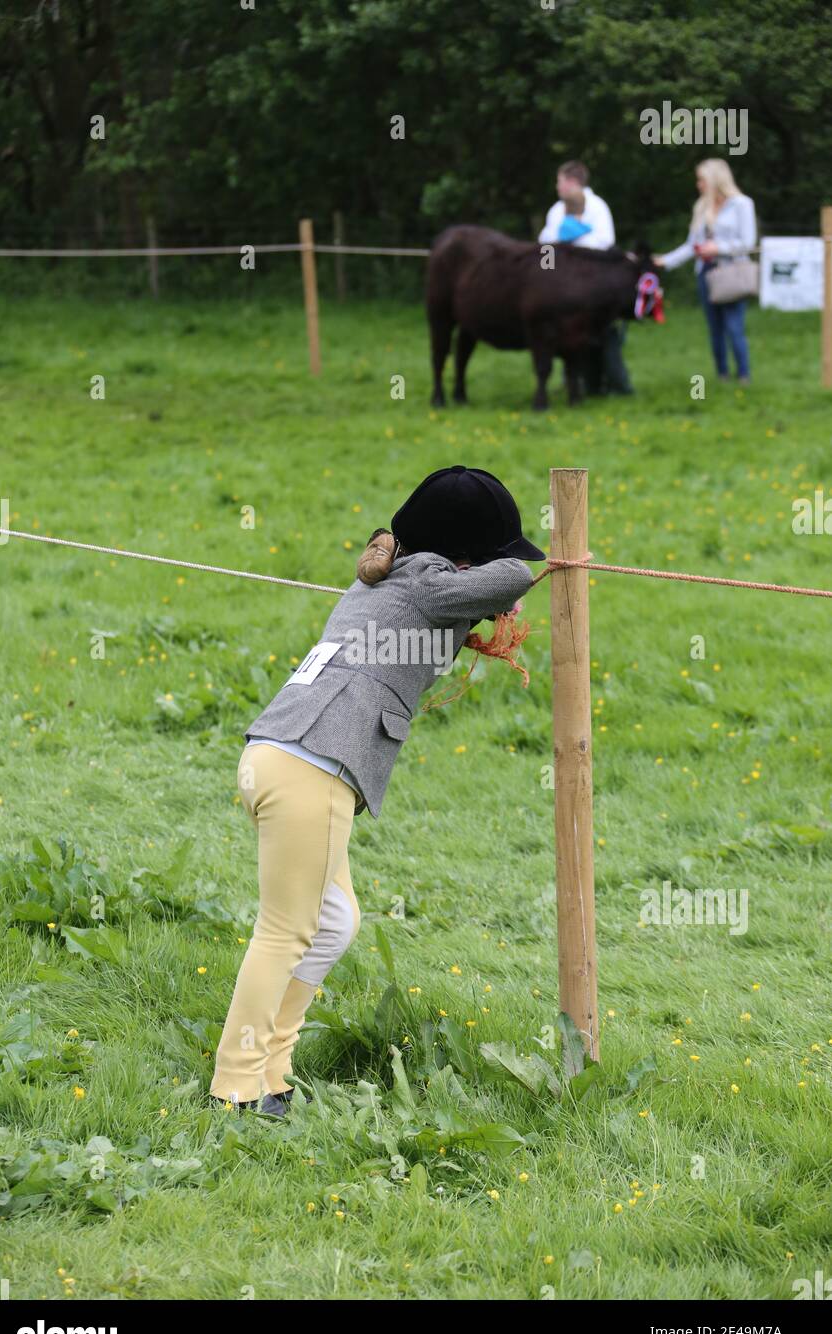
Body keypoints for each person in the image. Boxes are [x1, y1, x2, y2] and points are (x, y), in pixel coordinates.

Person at [209, 466, 546, 1116]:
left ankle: (270, 1074)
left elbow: (494, 580)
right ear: (465, 556)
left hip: (280, 755)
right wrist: (524, 575)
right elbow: (512, 579)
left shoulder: (394, 573)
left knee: (333, 922)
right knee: (286, 929)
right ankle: (234, 1087)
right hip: (314, 764)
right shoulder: (428, 582)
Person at [654, 158, 756, 383]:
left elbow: (748, 242)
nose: (698, 184)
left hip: (730, 274)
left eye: (701, 179)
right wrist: (664, 261)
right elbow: (692, 245)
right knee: (715, 328)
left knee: (733, 326)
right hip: (706, 274)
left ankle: (744, 375)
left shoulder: (742, 204)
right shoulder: (702, 207)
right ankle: (722, 374)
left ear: (714, 179)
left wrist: (718, 248)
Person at [538, 159, 633, 396]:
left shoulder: (597, 207)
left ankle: (613, 382)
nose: (556, 186)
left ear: (571, 182)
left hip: (592, 285)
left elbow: (605, 243)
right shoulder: (556, 210)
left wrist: (571, 242)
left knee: (601, 335)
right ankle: (573, 379)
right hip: (563, 285)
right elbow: (545, 245)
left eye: (559, 181)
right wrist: (547, 272)